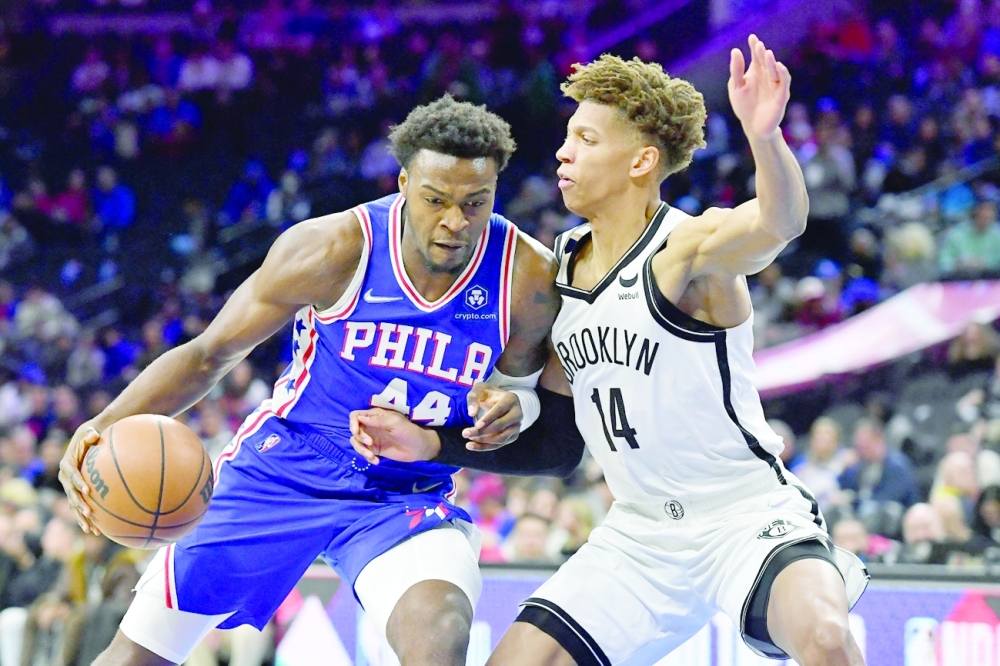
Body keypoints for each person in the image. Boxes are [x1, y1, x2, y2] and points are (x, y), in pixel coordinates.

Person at [353, 37, 869, 665]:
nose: (563, 152)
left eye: (587, 140)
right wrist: (457, 430)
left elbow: (777, 224)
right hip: (641, 532)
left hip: (744, 515)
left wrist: (765, 137)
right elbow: (554, 437)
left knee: (825, 638)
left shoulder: (686, 250)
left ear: (641, 161)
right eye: (568, 137)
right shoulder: (558, 267)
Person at [58, 95, 570, 666]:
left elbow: (520, 394)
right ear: (403, 183)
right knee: (137, 656)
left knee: (441, 636)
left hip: (404, 491)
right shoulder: (332, 248)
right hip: (285, 467)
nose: (456, 220)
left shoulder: (527, 277)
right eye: (436, 200)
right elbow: (208, 355)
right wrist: (103, 424)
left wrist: (513, 408)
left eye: (476, 202)